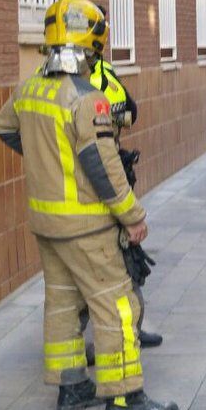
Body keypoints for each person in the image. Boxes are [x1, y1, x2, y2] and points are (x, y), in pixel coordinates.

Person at [0, 0, 180, 410]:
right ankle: (124, 399)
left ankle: (71, 387)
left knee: (61, 302)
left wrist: (48, 163)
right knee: (117, 306)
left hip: (45, 222)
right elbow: (102, 166)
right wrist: (132, 215)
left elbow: (2, 128)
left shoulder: (30, 89)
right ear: (89, 46)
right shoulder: (86, 100)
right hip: (85, 225)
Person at [82, 58, 163, 352]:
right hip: (93, 208)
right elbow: (102, 165)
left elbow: (131, 111)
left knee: (125, 273)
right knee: (118, 281)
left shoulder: (101, 72)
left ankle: (130, 335)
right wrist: (131, 216)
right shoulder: (77, 84)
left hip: (89, 204)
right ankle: (120, 353)